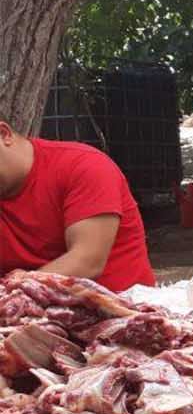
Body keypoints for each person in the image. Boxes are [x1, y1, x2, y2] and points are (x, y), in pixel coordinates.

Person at [0, 120, 155, 291]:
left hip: (123, 308)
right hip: (26, 311)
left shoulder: (83, 166)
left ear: (4, 134)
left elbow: (86, 262)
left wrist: (13, 293)